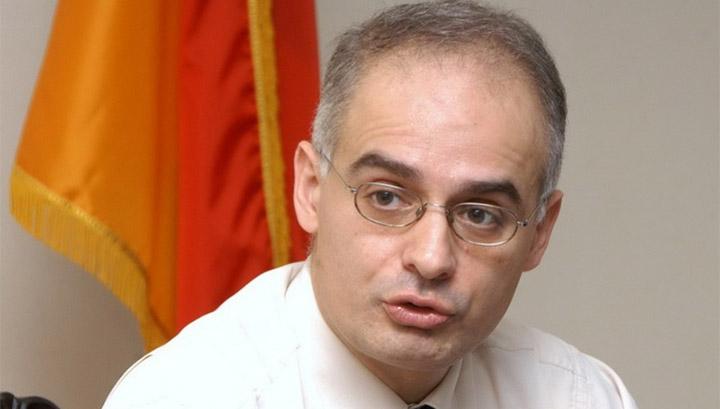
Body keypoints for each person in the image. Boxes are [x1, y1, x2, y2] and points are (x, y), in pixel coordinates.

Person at [103, 1, 638, 408]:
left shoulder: (580, 397)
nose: (431, 259)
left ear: (539, 233)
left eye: (480, 214)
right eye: (386, 197)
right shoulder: (184, 396)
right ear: (310, 189)